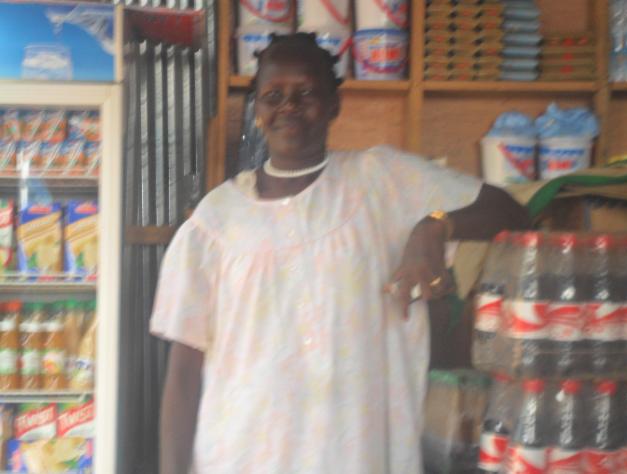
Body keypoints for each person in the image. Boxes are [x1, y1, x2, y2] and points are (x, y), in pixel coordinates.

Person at [151, 33, 530, 474]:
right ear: (256, 110)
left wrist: (435, 226)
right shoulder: (215, 222)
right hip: (239, 456)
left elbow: (512, 212)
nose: (289, 107)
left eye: (306, 93)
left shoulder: (385, 181)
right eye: (273, 96)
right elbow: (182, 376)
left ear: (334, 104)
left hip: (359, 456)